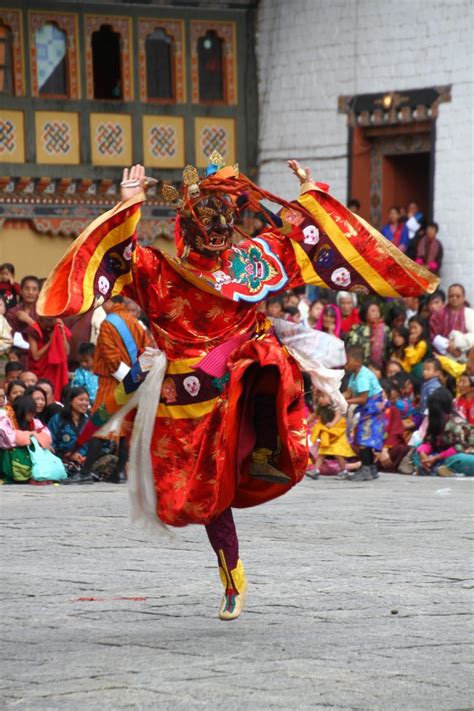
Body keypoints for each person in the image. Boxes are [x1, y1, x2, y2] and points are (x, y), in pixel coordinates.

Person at [38, 157, 437, 620]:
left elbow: (295, 239)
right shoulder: (162, 273)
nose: (213, 231)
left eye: (219, 222)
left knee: (264, 358)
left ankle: (264, 455)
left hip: (237, 385)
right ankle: (233, 574)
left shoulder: (244, 264)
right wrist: (130, 205)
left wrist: (310, 192)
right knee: (200, 497)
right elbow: (124, 255)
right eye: (205, 222)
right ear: (189, 228)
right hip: (183, 403)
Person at [77, 295, 151, 485]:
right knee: (125, 428)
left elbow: (111, 360)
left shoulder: (107, 324)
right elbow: (148, 351)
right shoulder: (136, 323)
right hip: (133, 381)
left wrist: (128, 381)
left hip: (112, 383)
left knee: (99, 425)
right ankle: (119, 473)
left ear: (110, 302)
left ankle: (85, 472)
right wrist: (136, 381)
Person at [344, 345, 384, 481]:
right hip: (367, 409)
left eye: (347, 359)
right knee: (364, 437)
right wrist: (337, 397)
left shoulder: (362, 376)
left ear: (357, 362)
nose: (345, 362)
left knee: (364, 438)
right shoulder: (354, 376)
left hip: (371, 409)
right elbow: (348, 393)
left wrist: (347, 402)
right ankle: (371, 468)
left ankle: (366, 469)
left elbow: (363, 398)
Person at [416, 388, 474, 476]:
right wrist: (423, 455)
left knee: (459, 459)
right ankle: (436, 469)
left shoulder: (457, 423)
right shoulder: (434, 421)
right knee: (417, 449)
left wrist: (436, 458)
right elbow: (428, 441)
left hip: (458, 455)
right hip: (438, 456)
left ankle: (437, 470)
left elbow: (459, 448)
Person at [0, 394, 51, 483]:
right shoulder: (5, 419)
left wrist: (31, 437)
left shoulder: (33, 421)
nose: (33, 414)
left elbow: (46, 435)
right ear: (22, 411)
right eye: (31, 412)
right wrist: (31, 435)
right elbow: (9, 440)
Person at [306, 389, 354, 480]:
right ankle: (315, 470)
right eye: (319, 397)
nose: (321, 399)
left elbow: (338, 416)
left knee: (337, 453)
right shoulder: (320, 409)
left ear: (332, 398)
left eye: (323, 397)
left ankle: (344, 470)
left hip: (336, 433)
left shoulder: (335, 407)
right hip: (327, 433)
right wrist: (304, 422)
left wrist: (332, 423)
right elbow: (313, 416)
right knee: (322, 452)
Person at [48, 387, 92, 483]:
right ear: (70, 401)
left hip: (86, 461)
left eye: (87, 400)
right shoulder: (58, 419)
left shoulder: (90, 421)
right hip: (63, 460)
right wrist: (68, 454)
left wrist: (89, 456)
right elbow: (50, 443)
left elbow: (99, 443)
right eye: (81, 399)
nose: (85, 403)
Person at [26, 316, 71, 400]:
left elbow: (66, 352)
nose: (51, 323)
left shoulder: (58, 327)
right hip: (41, 371)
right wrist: (51, 341)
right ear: (40, 319)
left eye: (53, 319)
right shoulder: (34, 330)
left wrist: (62, 334)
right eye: (49, 320)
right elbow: (36, 356)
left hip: (57, 370)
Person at [430, 284, 474, 359]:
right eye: (451, 296)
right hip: (443, 357)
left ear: (463, 298)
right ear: (448, 297)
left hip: (465, 357)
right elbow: (433, 336)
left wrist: (462, 346)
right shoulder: (438, 315)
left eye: (458, 296)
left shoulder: (470, 313)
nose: (454, 298)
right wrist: (449, 348)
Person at [376, 381, 410, 472]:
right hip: (370, 449)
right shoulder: (366, 410)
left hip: (387, 449)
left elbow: (395, 432)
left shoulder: (393, 411)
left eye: (382, 393)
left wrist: (384, 449)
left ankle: (387, 467)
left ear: (387, 396)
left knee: (401, 449)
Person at [346, 301, 388, 369]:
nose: (376, 314)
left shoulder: (385, 330)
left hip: (379, 369)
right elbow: (351, 347)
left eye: (378, 311)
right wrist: (369, 342)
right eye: (373, 311)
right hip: (360, 367)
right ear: (365, 313)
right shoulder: (356, 329)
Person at [6, 275, 40, 344]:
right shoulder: (12, 312)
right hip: (15, 350)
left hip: (38, 350)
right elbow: (7, 338)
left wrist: (28, 320)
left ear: (38, 293)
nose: (30, 292)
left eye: (34, 289)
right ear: (21, 291)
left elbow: (43, 337)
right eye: (27, 289)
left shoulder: (42, 312)